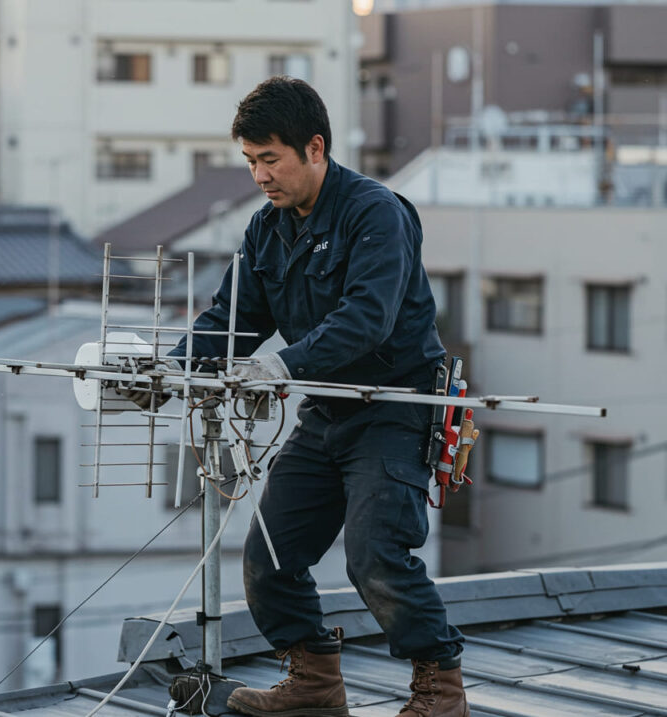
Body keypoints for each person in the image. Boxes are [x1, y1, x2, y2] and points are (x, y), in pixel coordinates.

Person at [165, 77, 468, 717]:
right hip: (326, 409)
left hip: (395, 408)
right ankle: (313, 686)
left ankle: (441, 691)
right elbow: (233, 319)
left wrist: (282, 364)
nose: (260, 176)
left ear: (315, 148)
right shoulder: (266, 230)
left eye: (270, 159)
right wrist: (164, 371)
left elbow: (368, 318)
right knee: (270, 555)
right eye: (250, 162)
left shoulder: (376, 212)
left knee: (375, 555)